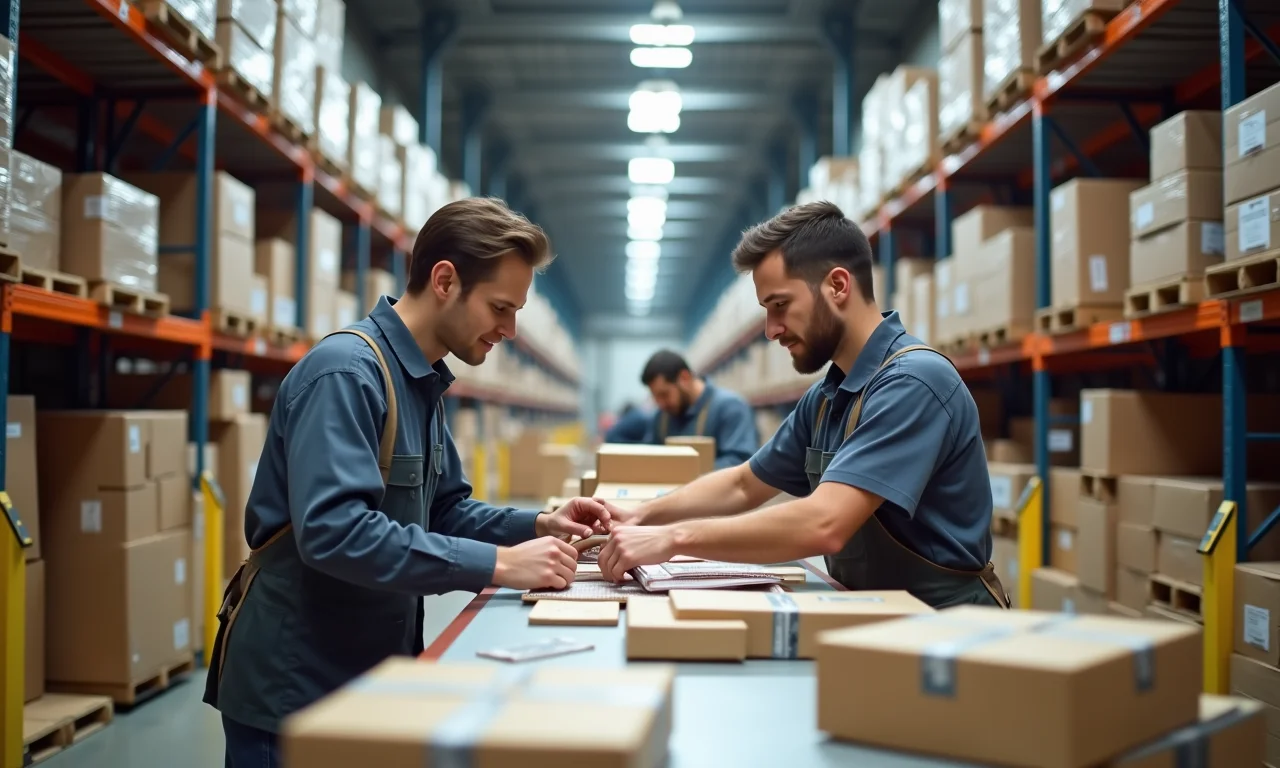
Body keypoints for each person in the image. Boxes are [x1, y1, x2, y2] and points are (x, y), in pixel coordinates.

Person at [205, 198, 613, 766]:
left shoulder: (419, 382)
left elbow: (444, 509)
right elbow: (336, 532)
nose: (511, 330)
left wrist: (539, 524)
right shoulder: (348, 374)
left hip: (364, 669)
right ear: (445, 280)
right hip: (295, 688)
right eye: (500, 307)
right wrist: (497, 566)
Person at [596, 201, 1008, 609]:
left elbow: (825, 523)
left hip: (945, 632)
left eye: (780, 306)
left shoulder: (913, 383)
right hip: (876, 615)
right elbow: (743, 484)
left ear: (838, 286)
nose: (772, 330)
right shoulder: (827, 398)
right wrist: (642, 516)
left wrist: (673, 538)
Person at [640, 350, 759, 470]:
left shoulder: (731, 408)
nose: (660, 404)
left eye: (664, 394)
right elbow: (651, 456)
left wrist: (685, 472)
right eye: (655, 397)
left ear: (684, 378)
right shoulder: (662, 416)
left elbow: (739, 462)